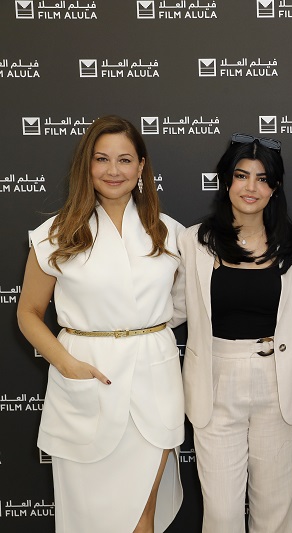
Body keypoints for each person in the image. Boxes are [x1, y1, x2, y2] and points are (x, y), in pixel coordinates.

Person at [17, 115, 185, 533]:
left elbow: (183, 304)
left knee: (141, 519)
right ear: (87, 165)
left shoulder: (171, 234)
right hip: (87, 380)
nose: (113, 170)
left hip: (154, 385)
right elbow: (28, 312)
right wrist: (67, 363)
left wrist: (147, 330)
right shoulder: (55, 234)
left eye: (125, 160)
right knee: (89, 520)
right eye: (102, 159)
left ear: (141, 166)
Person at [179, 134, 292, 533]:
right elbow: (169, 307)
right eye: (241, 175)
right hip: (215, 381)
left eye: (262, 178)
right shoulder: (194, 241)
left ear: (276, 187)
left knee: (275, 513)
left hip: (280, 383)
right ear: (226, 180)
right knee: (221, 513)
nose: (251, 187)